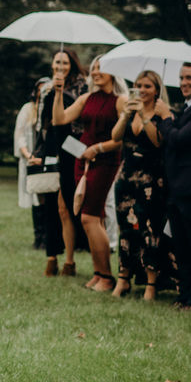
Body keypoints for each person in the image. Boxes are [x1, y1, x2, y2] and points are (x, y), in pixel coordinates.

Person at [52, 57, 128, 292]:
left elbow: (123, 138)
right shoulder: (87, 98)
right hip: (81, 161)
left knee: (90, 217)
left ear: (113, 72)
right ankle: (98, 273)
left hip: (104, 162)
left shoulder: (121, 101)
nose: (95, 72)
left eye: (101, 68)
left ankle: (106, 276)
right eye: (93, 68)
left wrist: (99, 148)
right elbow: (59, 119)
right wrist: (58, 92)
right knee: (91, 218)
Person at [109, 71, 172, 301]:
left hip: (150, 181)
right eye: (138, 85)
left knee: (150, 230)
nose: (142, 90)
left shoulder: (162, 113)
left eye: (147, 86)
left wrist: (146, 118)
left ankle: (151, 283)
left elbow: (158, 141)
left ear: (156, 90)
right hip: (126, 179)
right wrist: (126, 115)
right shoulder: (129, 110)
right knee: (125, 229)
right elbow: (115, 137)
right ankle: (123, 279)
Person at [26, 49, 86, 276]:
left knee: (66, 208)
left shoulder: (81, 88)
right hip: (50, 150)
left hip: (71, 150)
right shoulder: (47, 89)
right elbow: (43, 126)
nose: (61, 66)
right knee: (50, 207)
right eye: (57, 62)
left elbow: (79, 125)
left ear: (72, 64)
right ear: (52, 64)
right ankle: (51, 257)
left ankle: (69, 261)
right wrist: (37, 152)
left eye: (66, 62)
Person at [161, 61, 191, 311]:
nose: (184, 83)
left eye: (190, 78)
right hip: (176, 189)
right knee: (181, 245)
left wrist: (165, 118)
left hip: (189, 189)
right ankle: (185, 295)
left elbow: (179, 139)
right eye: (182, 78)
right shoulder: (183, 110)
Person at [14, 78, 49, 249]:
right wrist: (29, 155)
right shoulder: (27, 109)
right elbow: (19, 136)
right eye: (39, 90)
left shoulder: (51, 110)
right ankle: (38, 237)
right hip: (31, 159)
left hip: (47, 160)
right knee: (36, 197)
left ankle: (48, 238)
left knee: (47, 198)